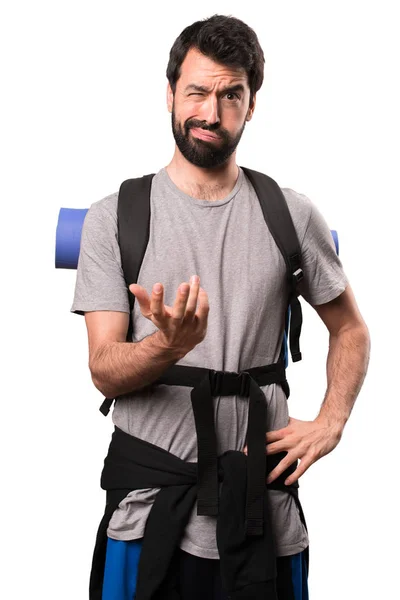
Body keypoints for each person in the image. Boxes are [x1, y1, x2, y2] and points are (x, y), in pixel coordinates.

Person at [71, 13, 370, 600]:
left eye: (231, 94)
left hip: (261, 504)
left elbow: (352, 330)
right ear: (169, 94)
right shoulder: (115, 217)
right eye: (198, 92)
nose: (211, 112)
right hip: (149, 508)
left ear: (251, 104)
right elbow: (103, 367)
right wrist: (170, 346)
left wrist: (331, 422)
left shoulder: (291, 214)